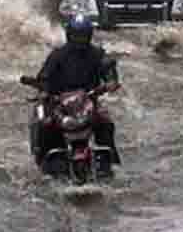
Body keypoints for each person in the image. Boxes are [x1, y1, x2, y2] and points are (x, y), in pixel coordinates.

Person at [34, 13, 121, 178]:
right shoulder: (58, 55)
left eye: (83, 36)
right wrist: (45, 91)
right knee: (46, 125)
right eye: (76, 36)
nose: (79, 40)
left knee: (106, 122)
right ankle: (44, 161)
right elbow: (45, 76)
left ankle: (110, 160)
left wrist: (111, 81)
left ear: (89, 36)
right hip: (61, 102)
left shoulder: (96, 54)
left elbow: (108, 68)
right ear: (69, 35)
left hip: (88, 100)